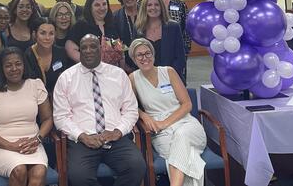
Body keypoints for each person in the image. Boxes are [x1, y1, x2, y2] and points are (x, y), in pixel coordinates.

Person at [53, 34, 146, 186]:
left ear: (101, 49)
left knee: (137, 167)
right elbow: (60, 117)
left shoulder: (118, 75)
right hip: (83, 140)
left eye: (93, 46)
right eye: (84, 48)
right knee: (79, 176)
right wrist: (82, 136)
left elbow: (131, 110)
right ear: (80, 51)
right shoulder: (66, 78)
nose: (88, 51)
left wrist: (118, 131)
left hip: (115, 138)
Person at [128, 38, 207, 186]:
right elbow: (129, 106)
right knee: (186, 158)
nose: (144, 58)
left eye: (148, 53)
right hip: (160, 132)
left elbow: (187, 104)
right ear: (133, 59)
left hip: (185, 122)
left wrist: (165, 123)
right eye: (139, 55)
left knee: (181, 136)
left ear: (153, 54)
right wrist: (144, 115)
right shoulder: (133, 78)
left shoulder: (168, 71)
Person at [0, 47, 52, 186]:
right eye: (8, 65)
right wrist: (12, 146)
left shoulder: (36, 85)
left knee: (39, 173)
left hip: (32, 144)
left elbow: (48, 119)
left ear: (24, 65)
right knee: (19, 171)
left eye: (18, 64)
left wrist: (37, 139)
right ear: (2, 69)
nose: (14, 68)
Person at [136, 0, 187, 83]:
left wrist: (166, 77)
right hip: (146, 79)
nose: (153, 8)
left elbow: (180, 59)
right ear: (144, 8)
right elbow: (137, 57)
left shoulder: (173, 27)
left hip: (171, 78)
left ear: (162, 7)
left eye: (156, 5)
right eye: (149, 5)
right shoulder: (138, 29)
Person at [65, 0, 122, 67]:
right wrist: (89, 63)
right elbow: (70, 49)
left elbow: (119, 47)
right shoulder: (81, 25)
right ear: (90, 7)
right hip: (88, 69)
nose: (102, 8)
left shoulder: (113, 24)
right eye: (97, 5)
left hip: (111, 70)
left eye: (104, 4)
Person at [148, 0, 190, 74]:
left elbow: (187, 32)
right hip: (152, 56)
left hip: (176, 57)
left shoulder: (179, 4)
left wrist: (183, 55)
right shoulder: (144, 5)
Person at [25, 18, 70, 94]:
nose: (47, 38)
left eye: (51, 33)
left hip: (58, 95)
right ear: (34, 34)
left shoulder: (61, 53)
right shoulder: (28, 55)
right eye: (43, 33)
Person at [113, 0, 140, 70]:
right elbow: (115, 41)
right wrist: (124, 65)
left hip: (147, 60)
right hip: (125, 64)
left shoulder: (145, 13)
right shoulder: (115, 17)